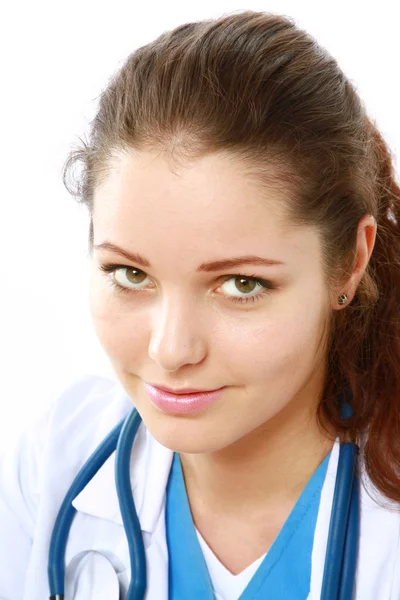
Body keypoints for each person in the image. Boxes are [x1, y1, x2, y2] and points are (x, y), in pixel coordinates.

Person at [1, 8, 400, 600]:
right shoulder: (56, 458)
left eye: (241, 285)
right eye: (129, 272)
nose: (171, 350)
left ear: (349, 260)